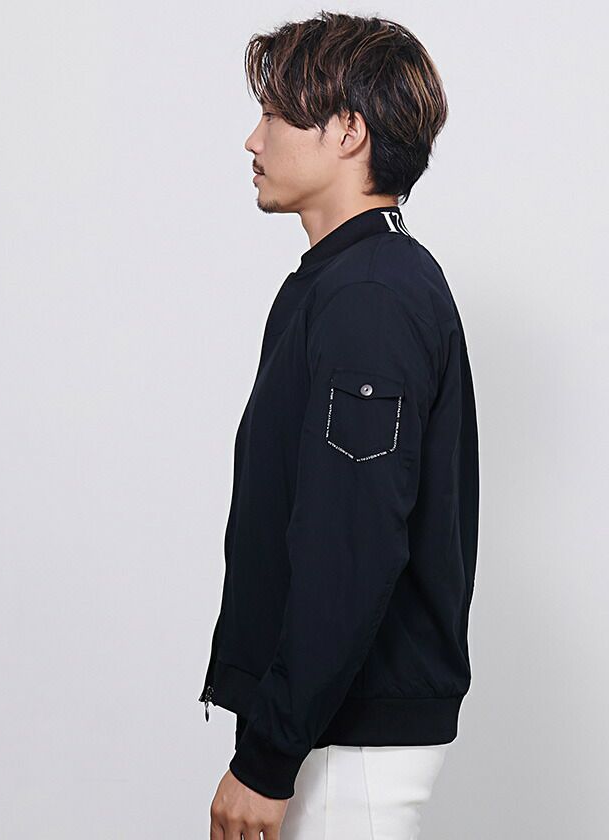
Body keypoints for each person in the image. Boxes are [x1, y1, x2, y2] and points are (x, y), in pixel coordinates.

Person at [199, 11, 479, 839]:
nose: (253, 140)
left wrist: (266, 758)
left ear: (349, 132)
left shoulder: (370, 298)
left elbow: (351, 543)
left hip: (347, 742)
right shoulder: (349, 281)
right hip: (333, 730)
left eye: (275, 116)